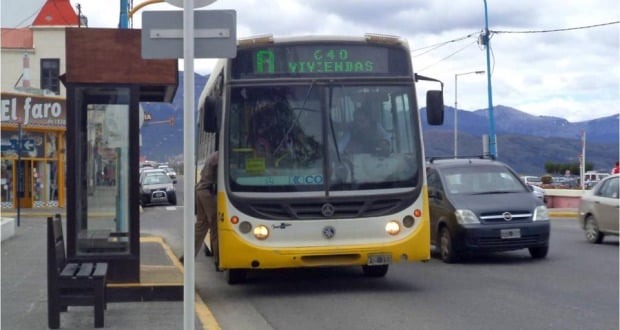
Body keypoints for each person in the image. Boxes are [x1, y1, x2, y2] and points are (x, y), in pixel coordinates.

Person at [179, 151, 218, 263]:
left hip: (201, 190)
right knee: (216, 223)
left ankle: (188, 256)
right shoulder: (221, 155)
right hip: (208, 193)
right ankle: (218, 258)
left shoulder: (214, 155)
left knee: (201, 225)